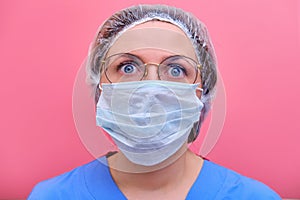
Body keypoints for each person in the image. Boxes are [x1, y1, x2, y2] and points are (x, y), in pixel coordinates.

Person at [28, 4, 281, 199]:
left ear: (201, 92)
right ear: (100, 87)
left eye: (175, 70)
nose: (150, 87)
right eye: (127, 67)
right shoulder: (51, 196)